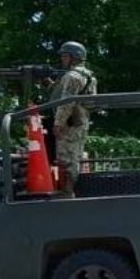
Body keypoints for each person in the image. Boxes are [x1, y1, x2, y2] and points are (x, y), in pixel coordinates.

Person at [46, 41, 98, 197]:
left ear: (74, 57)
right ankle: (69, 190)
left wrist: (58, 123)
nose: (63, 59)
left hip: (69, 124)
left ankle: (66, 192)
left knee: (65, 159)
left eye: (65, 55)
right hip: (81, 122)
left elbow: (66, 102)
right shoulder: (89, 76)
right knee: (75, 156)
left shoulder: (72, 76)